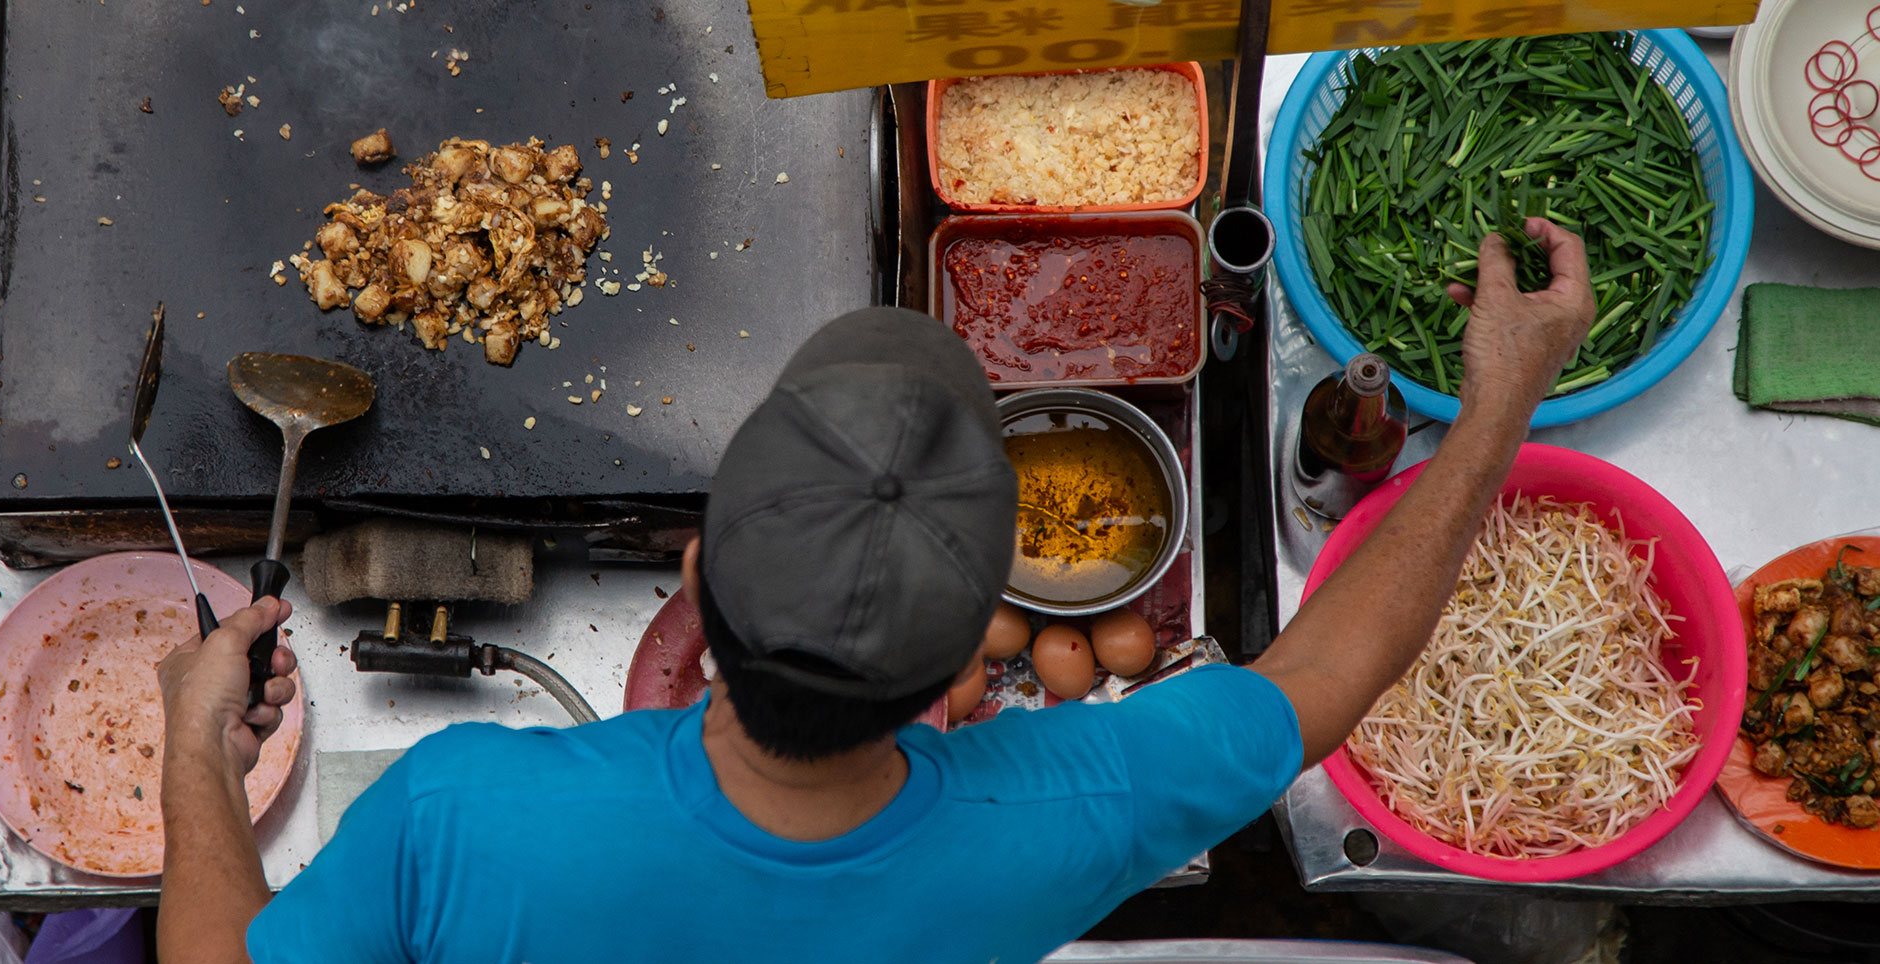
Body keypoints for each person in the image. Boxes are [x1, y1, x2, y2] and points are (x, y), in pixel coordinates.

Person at [156, 217, 1594, 964]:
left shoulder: (463, 813)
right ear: (976, 668)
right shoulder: (1054, 812)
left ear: (700, 577)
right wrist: (1492, 412)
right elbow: (1335, 672)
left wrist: (193, 755)